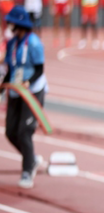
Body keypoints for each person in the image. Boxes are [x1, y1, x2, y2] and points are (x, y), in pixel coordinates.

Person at [1, 6, 48, 188]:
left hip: (32, 91)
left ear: (19, 23)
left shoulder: (34, 43)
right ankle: (32, 159)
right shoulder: (12, 43)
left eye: (12, 22)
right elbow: (10, 69)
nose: (9, 25)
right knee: (10, 132)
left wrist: (28, 83)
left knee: (24, 131)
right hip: (15, 90)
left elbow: (40, 69)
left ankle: (27, 171)